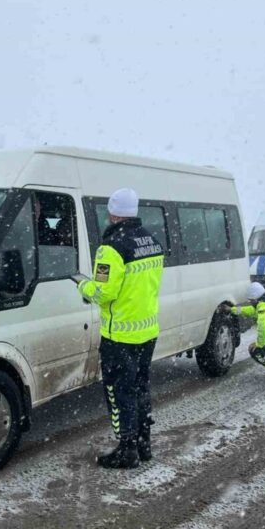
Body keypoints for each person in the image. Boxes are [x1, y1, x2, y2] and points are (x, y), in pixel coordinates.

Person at [77, 188, 164, 469]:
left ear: (113, 213)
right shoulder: (151, 240)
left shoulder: (111, 248)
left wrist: (82, 285)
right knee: (140, 387)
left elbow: (103, 292)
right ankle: (143, 444)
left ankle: (127, 450)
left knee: (119, 392)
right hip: (147, 331)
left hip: (120, 335)